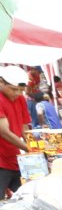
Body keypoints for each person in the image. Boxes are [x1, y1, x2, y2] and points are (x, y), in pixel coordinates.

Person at [0, 66, 31, 196]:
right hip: (1, 160)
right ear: (1, 82)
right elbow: (4, 132)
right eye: (14, 89)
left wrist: (32, 145)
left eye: (21, 90)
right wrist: (29, 148)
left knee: (25, 197)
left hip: (14, 158)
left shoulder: (21, 99)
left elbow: (25, 128)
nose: (17, 93)